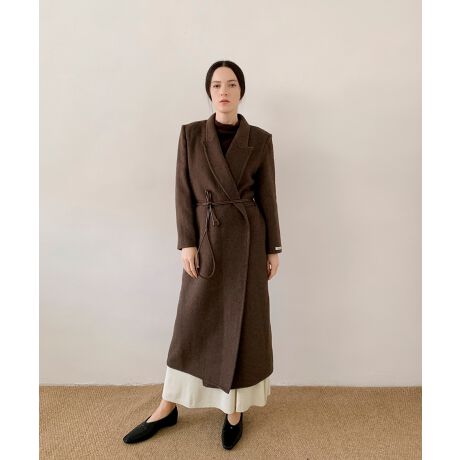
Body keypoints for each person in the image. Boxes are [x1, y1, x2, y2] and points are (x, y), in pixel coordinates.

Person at [123, 60, 282, 450]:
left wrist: (272, 247)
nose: (224, 91)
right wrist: (188, 242)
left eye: (231, 84)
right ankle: (168, 405)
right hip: (206, 238)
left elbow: (268, 197)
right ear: (209, 92)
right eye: (216, 85)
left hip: (247, 241)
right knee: (191, 322)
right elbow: (182, 191)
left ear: (241, 91)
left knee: (243, 321)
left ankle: (234, 409)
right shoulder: (191, 135)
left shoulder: (260, 140)